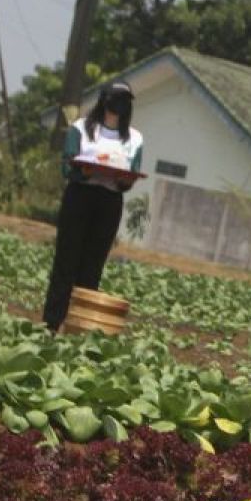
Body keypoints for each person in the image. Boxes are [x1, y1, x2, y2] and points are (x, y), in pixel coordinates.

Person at [42, 81, 143, 331]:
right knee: (66, 261)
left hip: (108, 202)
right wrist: (85, 171)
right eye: (116, 99)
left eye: (125, 100)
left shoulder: (134, 139)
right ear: (104, 100)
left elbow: (132, 172)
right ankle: (52, 324)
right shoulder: (81, 129)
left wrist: (122, 180)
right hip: (80, 197)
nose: (120, 105)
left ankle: (78, 325)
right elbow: (67, 166)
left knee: (93, 265)